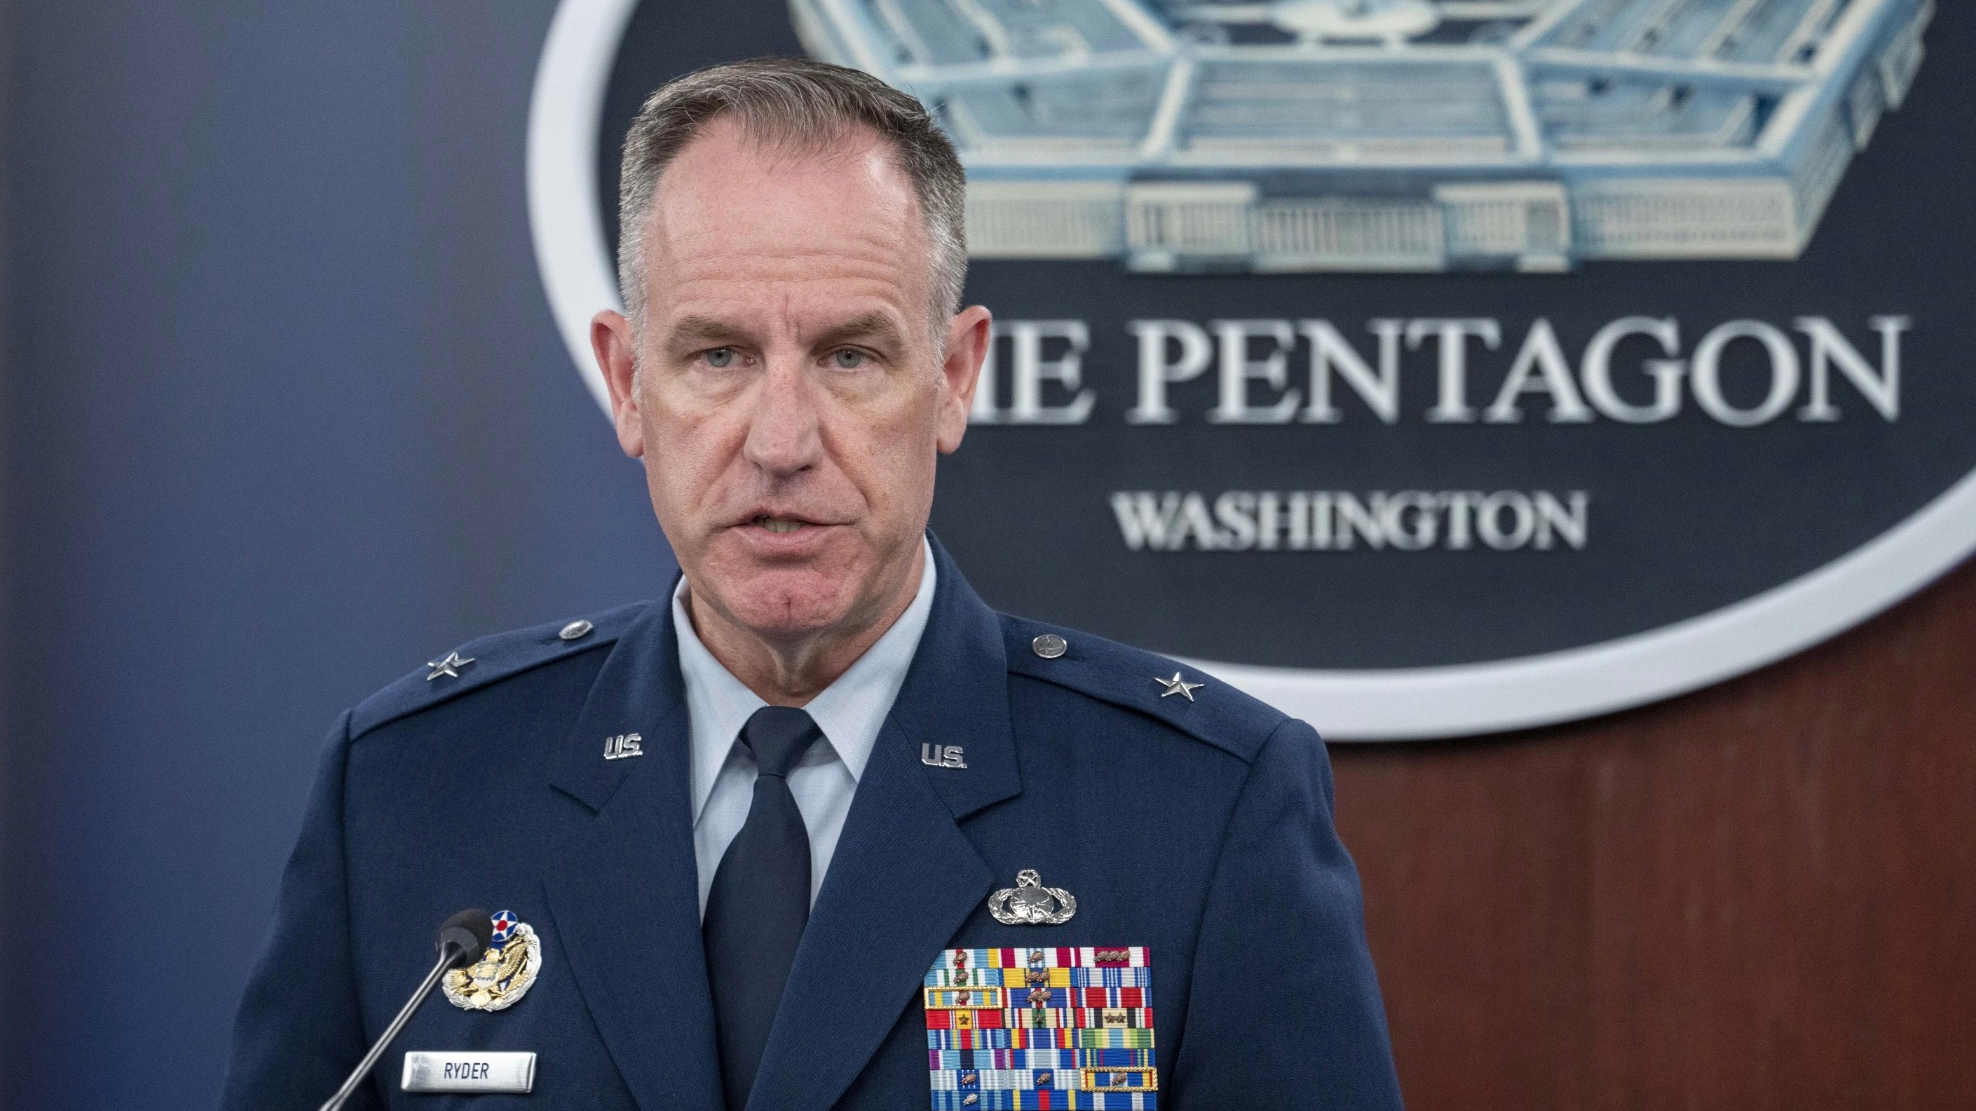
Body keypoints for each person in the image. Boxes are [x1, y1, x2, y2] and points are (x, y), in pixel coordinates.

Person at [220, 57, 1403, 1111]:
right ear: (629, 384)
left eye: (849, 354)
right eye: (717, 355)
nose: (780, 438)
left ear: (952, 377)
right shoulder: (409, 793)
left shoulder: (1198, 814)